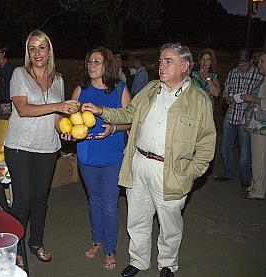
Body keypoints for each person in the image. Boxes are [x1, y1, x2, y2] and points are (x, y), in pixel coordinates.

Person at [83, 43, 216, 277]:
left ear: (184, 66)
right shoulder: (152, 88)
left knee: (169, 224)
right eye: (161, 60)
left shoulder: (199, 100)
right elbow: (128, 114)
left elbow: (206, 144)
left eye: (168, 61)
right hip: (140, 163)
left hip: (172, 170)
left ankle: (167, 264)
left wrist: (191, 172)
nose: (161, 65)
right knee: (137, 219)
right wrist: (100, 110)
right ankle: (139, 260)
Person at [3, 29, 78, 264]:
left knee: (40, 200)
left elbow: (56, 117)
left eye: (41, 47)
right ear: (28, 52)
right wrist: (59, 105)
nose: (37, 53)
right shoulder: (19, 74)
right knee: (23, 199)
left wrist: (64, 129)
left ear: (49, 51)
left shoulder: (58, 79)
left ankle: (36, 242)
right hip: (20, 147)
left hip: (47, 147)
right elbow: (23, 110)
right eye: (32, 48)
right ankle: (13, 249)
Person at [68, 47, 131, 270]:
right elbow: (69, 120)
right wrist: (65, 130)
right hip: (87, 155)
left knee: (110, 205)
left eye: (97, 62)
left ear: (107, 65)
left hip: (112, 156)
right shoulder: (80, 90)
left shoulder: (119, 89)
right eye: (89, 62)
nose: (91, 66)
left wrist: (113, 128)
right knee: (94, 201)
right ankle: (97, 240)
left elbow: (131, 121)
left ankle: (110, 249)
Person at [214, 49, 262, 195]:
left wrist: (250, 98)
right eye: (240, 64)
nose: (242, 67)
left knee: (245, 152)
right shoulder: (233, 72)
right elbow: (226, 90)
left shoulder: (257, 74)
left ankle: (245, 178)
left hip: (245, 118)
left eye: (245, 64)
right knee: (225, 148)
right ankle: (228, 173)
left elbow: (261, 95)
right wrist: (228, 97)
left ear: (250, 62)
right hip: (231, 116)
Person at [241, 51, 266, 199]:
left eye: (263, 61)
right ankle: (254, 187)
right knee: (257, 159)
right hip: (260, 125)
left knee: (259, 161)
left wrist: (252, 98)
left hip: (264, 126)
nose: (259, 64)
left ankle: (257, 192)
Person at [0, 42, 16, 114]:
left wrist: (7, 101)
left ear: (3, 54)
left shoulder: (8, 67)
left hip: (5, 101)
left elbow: (8, 85)